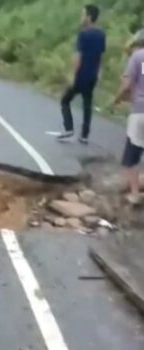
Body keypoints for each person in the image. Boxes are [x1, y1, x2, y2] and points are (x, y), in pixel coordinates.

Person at [57, 4, 106, 144]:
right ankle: (84, 135)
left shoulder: (83, 34)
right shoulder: (101, 34)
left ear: (89, 17)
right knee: (87, 104)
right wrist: (99, 72)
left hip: (81, 74)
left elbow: (78, 56)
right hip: (92, 75)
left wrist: (73, 75)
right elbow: (101, 56)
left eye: (83, 14)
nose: (81, 17)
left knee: (65, 100)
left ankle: (69, 129)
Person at [109, 29, 144, 205]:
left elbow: (127, 85)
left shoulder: (138, 57)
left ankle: (135, 194)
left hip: (141, 111)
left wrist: (115, 101)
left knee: (132, 155)